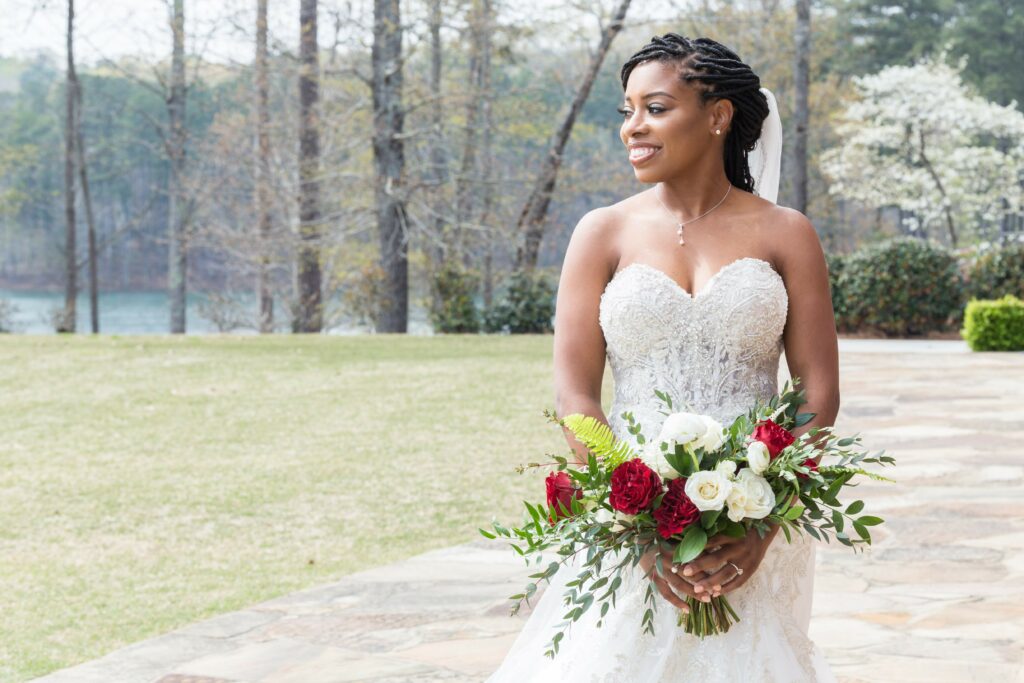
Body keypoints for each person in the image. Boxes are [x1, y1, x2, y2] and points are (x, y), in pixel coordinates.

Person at [486, 33, 840, 681]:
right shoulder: (602, 232)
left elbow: (817, 389)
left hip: (754, 512)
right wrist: (638, 525)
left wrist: (761, 522)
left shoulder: (787, 232)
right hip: (630, 505)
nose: (632, 128)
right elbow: (577, 397)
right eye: (627, 110)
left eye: (655, 107)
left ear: (717, 115)